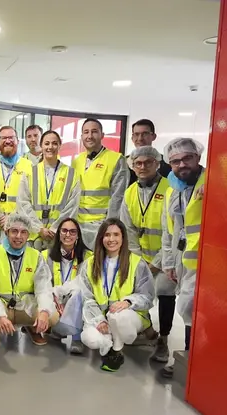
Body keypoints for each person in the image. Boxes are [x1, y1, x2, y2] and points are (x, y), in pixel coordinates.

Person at [120, 146, 177, 365]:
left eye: (147, 163)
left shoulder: (170, 188)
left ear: (157, 163)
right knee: (136, 294)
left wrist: (157, 262)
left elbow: (173, 230)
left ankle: (163, 338)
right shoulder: (130, 191)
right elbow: (128, 229)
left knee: (164, 294)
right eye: (138, 164)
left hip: (166, 257)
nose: (142, 167)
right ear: (132, 166)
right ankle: (147, 331)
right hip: (140, 257)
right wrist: (138, 259)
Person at [79, 218, 156, 372]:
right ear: (101, 238)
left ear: (123, 238)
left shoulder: (136, 263)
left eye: (116, 235)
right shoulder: (89, 264)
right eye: (107, 235)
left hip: (128, 315)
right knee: (89, 339)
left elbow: (147, 296)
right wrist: (99, 320)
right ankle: (109, 338)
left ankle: (117, 348)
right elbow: (87, 298)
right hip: (101, 316)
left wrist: (128, 302)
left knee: (118, 317)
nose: (111, 239)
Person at [0, 213, 57, 348]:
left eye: (23, 232)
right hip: (1, 303)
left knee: (52, 315)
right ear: (6, 232)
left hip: (24, 305)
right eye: (14, 231)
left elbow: (44, 287)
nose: (19, 236)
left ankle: (34, 328)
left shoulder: (36, 256)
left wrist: (44, 312)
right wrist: (0, 315)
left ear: (28, 235)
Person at [161, 137, 206, 375]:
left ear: (198, 157)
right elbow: (170, 231)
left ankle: (193, 362)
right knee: (190, 310)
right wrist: (169, 264)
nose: (181, 165)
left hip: (208, 263)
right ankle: (189, 360)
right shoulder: (173, 191)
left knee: (191, 309)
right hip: (184, 261)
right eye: (175, 161)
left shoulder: (212, 182)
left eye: (187, 158)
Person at [16, 130, 80, 252]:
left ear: (60, 146)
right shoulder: (30, 172)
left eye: (54, 143)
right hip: (33, 237)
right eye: (47, 143)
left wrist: (56, 229)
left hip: (59, 237)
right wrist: (38, 228)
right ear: (41, 146)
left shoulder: (71, 174)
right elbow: (23, 203)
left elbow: (72, 206)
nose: (50, 147)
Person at [72, 119, 129, 247]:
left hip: (101, 226)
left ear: (102, 135)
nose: (89, 136)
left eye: (94, 132)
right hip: (78, 225)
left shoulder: (116, 159)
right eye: (86, 132)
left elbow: (118, 198)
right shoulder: (77, 161)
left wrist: (110, 229)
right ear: (81, 136)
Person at [43, 217, 90, 355]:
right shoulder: (46, 255)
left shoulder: (88, 257)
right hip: (55, 299)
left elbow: (86, 284)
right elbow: (43, 283)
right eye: (64, 231)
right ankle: (57, 329)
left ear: (78, 236)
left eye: (72, 231)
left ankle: (76, 337)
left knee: (78, 294)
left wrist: (65, 293)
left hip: (77, 300)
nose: (67, 235)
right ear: (59, 234)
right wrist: (55, 297)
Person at [0, 126, 33, 246]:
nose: (7, 141)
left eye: (11, 137)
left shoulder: (29, 166)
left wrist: (12, 218)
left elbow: (31, 198)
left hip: (19, 226)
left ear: (18, 141)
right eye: (4, 138)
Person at [127, 119, 172, 185]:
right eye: (136, 134)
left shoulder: (166, 162)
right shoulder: (124, 163)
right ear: (132, 138)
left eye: (145, 134)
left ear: (154, 136)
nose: (140, 138)